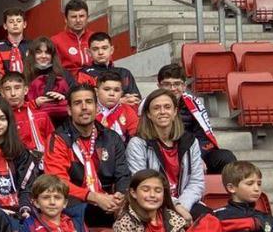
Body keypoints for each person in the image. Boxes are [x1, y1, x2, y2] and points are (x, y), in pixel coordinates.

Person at [42, 85, 129, 228]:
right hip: (75, 203)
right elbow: (58, 182)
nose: (84, 107)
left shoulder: (111, 138)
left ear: (97, 107)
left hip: (109, 201)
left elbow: (123, 175)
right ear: (69, 110)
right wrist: (94, 197)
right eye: (77, 103)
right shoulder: (58, 138)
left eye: (89, 102)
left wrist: (119, 196)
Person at [126, 89, 206, 221]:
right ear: (149, 114)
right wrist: (175, 207)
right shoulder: (138, 144)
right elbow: (142, 184)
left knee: (210, 220)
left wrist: (182, 206)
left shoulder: (190, 142)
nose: (162, 112)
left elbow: (196, 182)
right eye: (156, 108)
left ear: (175, 112)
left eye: (167, 107)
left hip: (184, 202)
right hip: (151, 204)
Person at [156, 64, 236, 173]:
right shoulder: (149, 105)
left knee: (225, 157)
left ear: (184, 86)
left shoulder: (194, 105)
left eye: (177, 84)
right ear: (159, 86)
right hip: (163, 153)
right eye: (167, 84)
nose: (173, 88)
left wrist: (196, 157)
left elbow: (203, 139)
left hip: (193, 150)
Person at [0, 71, 53, 154]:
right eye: (7, 89)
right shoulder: (1, 118)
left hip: (45, 161)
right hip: (17, 162)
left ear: (25, 90)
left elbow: (53, 143)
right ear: (2, 93)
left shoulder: (42, 115)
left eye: (17, 88)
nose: (13, 93)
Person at [24, 37, 73, 121]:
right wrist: (35, 103)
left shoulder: (64, 74)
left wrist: (64, 97)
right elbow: (18, 104)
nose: (43, 56)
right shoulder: (25, 75)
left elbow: (76, 95)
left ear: (52, 55)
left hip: (63, 122)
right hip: (36, 122)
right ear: (32, 55)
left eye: (47, 53)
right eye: (39, 52)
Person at [93, 69, 139, 140]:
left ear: (122, 93)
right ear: (96, 92)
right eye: (107, 89)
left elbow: (136, 137)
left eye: (116, 90)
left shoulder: (127, 111)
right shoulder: (89, 110)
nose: (112, 94)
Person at [50, 0, 94, 74]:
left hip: (96, 81)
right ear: (66, 20)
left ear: (87, 18)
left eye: (81, 16)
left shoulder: (95, 38)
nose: (78, 20)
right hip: (68, 83)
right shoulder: (55, 41)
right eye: (73, 17)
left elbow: (108, 63)